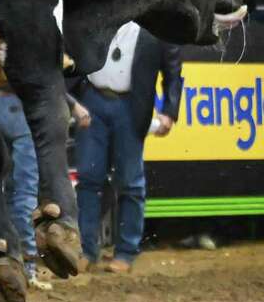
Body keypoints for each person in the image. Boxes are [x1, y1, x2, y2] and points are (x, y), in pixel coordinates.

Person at [70, 22, 183, 274]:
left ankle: (125, 252)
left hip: (131, 107)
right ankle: (86, 250)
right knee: (89, 178)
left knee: (130, 182)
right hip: (92, 99)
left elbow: (173, 70)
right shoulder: (99, 12)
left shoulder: (157, 24)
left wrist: (170, 112)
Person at [0, 86, 90, 288]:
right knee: (25, 193)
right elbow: (38, 76)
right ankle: (28, 269)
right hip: (23, 106)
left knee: (6, 190)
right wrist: (73, 104)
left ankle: (6, 257)